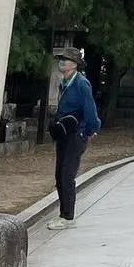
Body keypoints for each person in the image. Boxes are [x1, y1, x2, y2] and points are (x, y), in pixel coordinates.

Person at [47, 49, 100, 228]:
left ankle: (68, 217)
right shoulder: (64, 82)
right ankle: (64, 214)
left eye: (66, 59)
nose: (62, 62)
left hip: (76, 134)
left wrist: (89, 130)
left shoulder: (81, 83)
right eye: (61, 59)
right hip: (64, 132)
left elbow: (90, 109)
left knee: (67, 174)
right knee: (59, 174)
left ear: (75, 64)